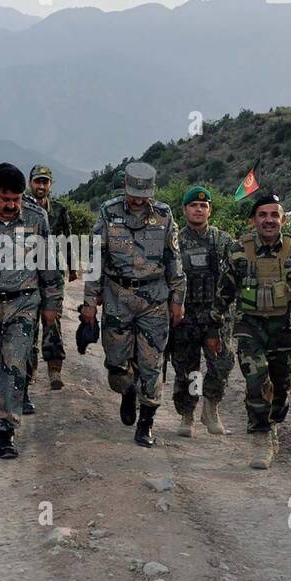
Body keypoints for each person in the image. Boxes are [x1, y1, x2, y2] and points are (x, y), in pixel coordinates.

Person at [209, 193, 291, 469]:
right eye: (262, 215)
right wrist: (214, 325)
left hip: (284, 331)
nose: (268, 220)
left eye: (274, 215)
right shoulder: (238, 251)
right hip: (249, 328)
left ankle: (273, 422)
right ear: (253, 220)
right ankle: (260, 436)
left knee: (281, 387)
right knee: (256, 381)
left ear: (283, 219)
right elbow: (224, 292)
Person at [80, 162, 184, 447]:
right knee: (116, 365)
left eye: (143, 195)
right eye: (133, 194)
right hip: (117, 297)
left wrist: (178, 299)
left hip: (154, 299)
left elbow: (174, 261)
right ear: (125, 188)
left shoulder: (164, 215)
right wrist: (89, 303)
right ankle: (128, 390)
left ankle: (146, 422)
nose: (138, 200)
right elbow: (95, 261)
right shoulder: (108, 212)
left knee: (152, 363)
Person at [0, 164, 63, 458]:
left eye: (16, 199)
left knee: (13, 365)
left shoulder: (37, 218)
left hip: (23, 303)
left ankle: (4, 432)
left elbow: (49, 264)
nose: (12, 205)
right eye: (6, 199)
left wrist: (52, 305)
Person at [169, 186, 236, 437]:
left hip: (216, 317)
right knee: (188, 369)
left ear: (210, 210)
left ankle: (211, 407)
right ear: (184, 209)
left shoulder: (222, 240)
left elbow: (238, 269)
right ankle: (188, 414)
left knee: (221, 364)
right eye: (194, 205)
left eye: (204, 205)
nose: (199, 209)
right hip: (185, 315)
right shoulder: (175, 241)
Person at [25, 165, 77, 399]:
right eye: (37, 181)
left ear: (51, 185)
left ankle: (54, 370)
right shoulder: (22, 208)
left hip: (52, 275)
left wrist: (72, 267)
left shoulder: (59, 210)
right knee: (27, 323)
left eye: (45, 182)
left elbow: (67, 240)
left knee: (52, 321)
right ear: (30, 183)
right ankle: (28, 371)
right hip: (26, 275)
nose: (41, 186)